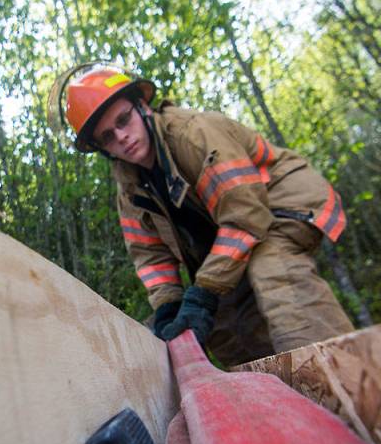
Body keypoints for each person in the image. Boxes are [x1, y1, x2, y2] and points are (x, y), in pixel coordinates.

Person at [50, 62, 355, 366]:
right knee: (223, 326)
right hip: (233, 238)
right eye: (108, 137)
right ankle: (275, 398)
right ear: (103, 149)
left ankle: (338, 380)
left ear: (141, 106)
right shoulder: (129, 189)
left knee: (275, 275)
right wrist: (169, 305)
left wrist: (203, 291)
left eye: (124, 120)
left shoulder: (194, 134)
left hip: (280, 208)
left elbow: (246, 215)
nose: (122, 137)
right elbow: (149, 257)